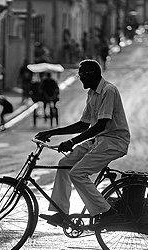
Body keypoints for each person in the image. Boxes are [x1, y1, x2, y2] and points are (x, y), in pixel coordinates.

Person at [35, 59, 130, 228]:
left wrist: (72, 141)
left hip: (114, 141)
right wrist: (52, 132)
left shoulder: (108, 91)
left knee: (78, 173)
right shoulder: (92, 93)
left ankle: (107, 213)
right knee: (64, 164)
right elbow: (83, 124)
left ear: (92, 75)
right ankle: (61, 212)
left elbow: (101, 124)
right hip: (99, 140)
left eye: (82, 75)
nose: (80, 79)